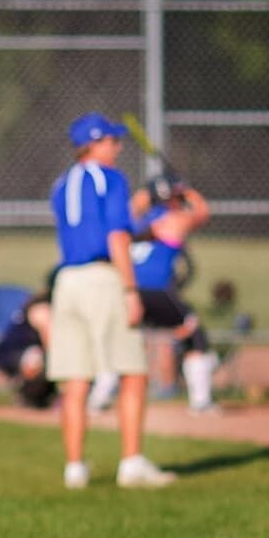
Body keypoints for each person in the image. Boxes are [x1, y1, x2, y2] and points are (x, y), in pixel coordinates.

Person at [48, 113, 176, 490]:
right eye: (112, 142)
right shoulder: (110, 179)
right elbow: (117, 238)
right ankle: (132, 463)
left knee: (76, 382)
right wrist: (130, 290)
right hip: (102, 280)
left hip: (66, 281)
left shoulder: (61, 184)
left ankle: (74, 468)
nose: (118, 148)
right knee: (132, 372)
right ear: (96, 142)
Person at [129, 173, 219, 414]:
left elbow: (135, 204)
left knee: (124, 339)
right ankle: (201, 402)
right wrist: (187, 191)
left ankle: (99, 397)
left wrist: (148, 193)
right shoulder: (174, 220)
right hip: (157, 291)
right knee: (194, 334)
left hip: (129, 293)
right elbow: (203, 213)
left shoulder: (135, 221)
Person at [0, 287, 57, 410]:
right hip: (14, 353)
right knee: (37, 358)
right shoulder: (42, 307)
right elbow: (49, 343)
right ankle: (26, 394)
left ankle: (43, 397)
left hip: (28, 351)